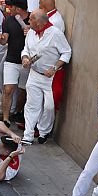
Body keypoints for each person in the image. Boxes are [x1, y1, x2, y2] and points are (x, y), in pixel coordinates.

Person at [19, 9, 71, 145]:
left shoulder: (56, 34)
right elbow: (26, 49)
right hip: (34, 74)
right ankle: (28, 134)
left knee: (49, 106)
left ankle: (44, 131)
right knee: (31, 105)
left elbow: (66, 53)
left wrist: (54, 68)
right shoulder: (31, 32)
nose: (28, 22)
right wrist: (25, 58)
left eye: (31, 19)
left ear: (39, 22)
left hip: (51, 78)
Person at [0, 0, 29, 128]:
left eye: (12, 6)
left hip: (27, 62)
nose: (9, 8)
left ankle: (18, 112)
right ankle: (5, 118)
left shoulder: (33, 18)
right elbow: (5, 40)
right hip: (12, 60)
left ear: (18, 9)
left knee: (24, 91)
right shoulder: (9, 20)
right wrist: (1, 38)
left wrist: (30, 30)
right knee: (8, 89)